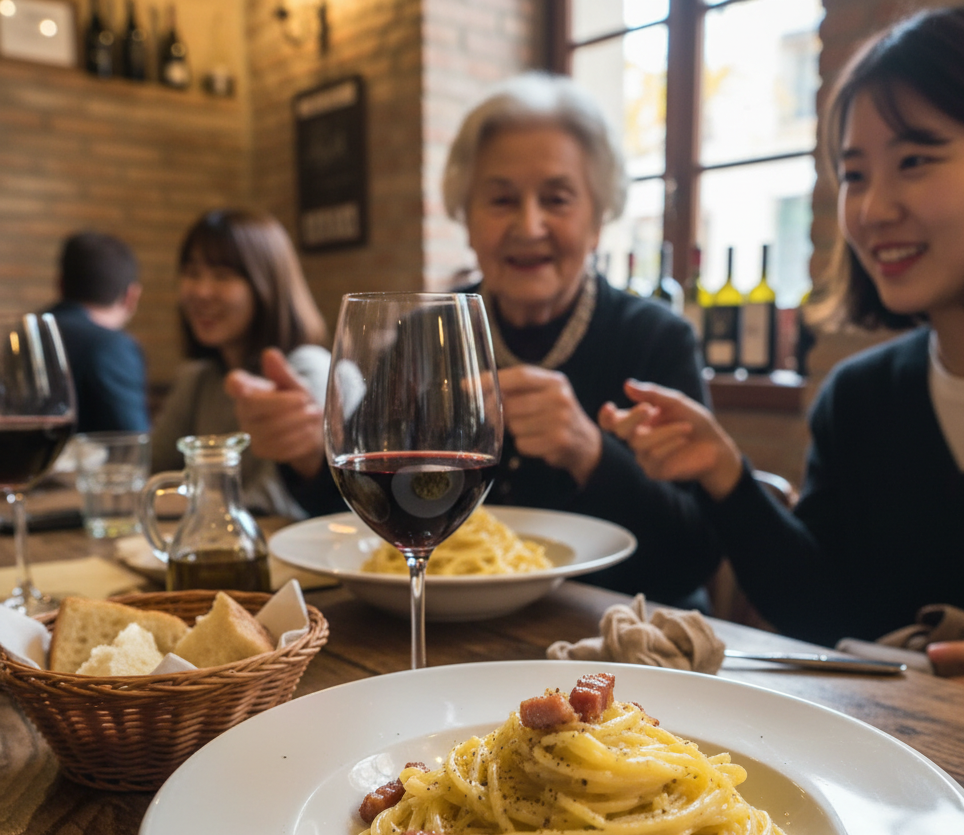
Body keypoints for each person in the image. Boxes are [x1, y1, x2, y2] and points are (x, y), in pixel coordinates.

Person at [600, 4, 964, 698]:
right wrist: (723, 475)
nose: (872, 208)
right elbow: (822, 615)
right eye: (854, 174)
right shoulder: (860, 400)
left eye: (915, 160)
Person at [228, 73, 720, 604]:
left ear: (598, 220)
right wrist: (306, 454)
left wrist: (591, 453)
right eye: (501, 200)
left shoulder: (656, 338)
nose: (529, 225)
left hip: (609, 639)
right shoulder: (427, 329)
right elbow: (373, 519)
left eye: (556, 199)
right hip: (433, 628)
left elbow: (691, 558)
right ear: (466, 218)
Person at [151, 209, 330, 518]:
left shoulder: (308, 369)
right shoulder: (199, 378)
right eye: (192, 273)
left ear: (267, 285)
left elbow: (267, 504)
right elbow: (153, 471)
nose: (201, 292)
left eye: (223, 275)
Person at [48, 231, 149, 434]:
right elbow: (134, 444)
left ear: (60, 284)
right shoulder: (113, 348)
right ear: (131, 296)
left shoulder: (25, 335)